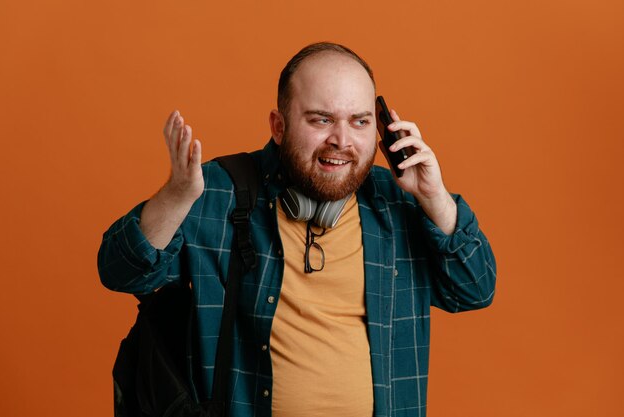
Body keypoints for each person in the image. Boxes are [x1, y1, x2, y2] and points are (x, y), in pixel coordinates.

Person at [98, 42, 496, 417]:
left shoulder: (399, 203)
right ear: (279, 125)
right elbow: (120, 271)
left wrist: (436, 197)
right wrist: (175, 197)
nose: (341, 140)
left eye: (359, 122)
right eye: (321, 119)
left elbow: (475, 289)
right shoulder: (219, 191)